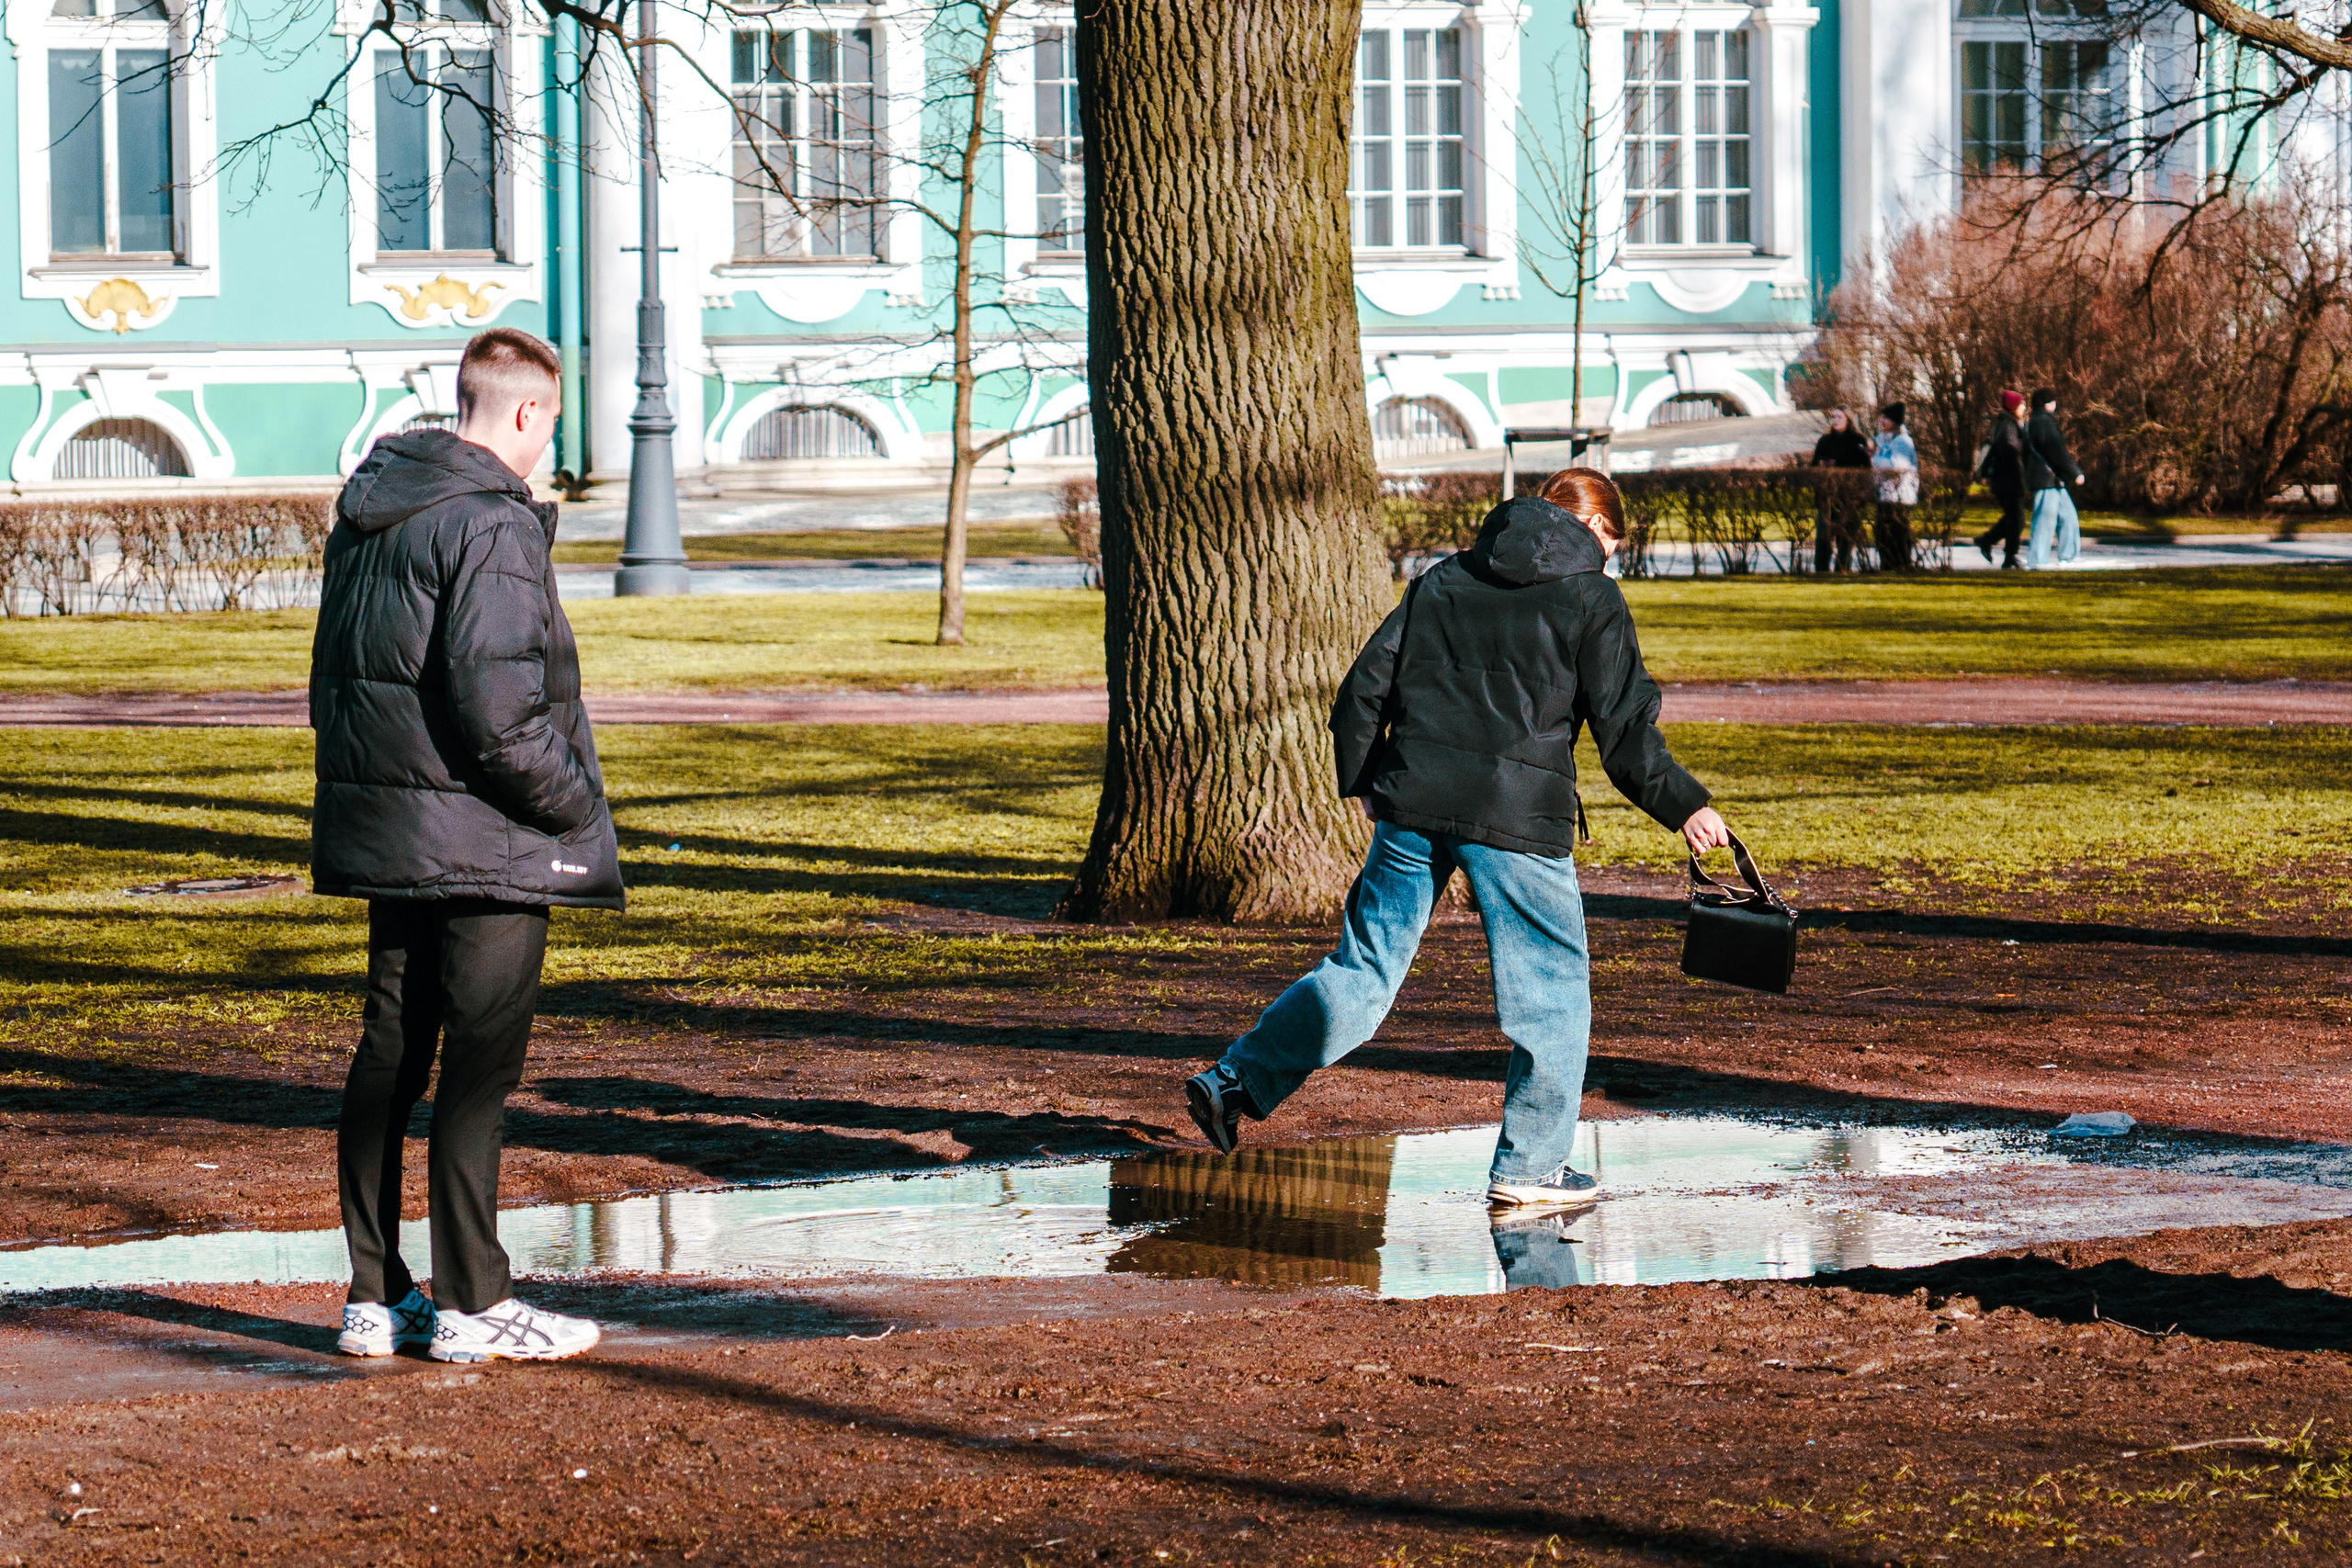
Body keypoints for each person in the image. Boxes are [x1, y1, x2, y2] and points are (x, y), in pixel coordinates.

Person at [1184, 468, 1732, 1209]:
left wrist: (1371, 780)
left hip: (1413, 804)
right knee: (1551, 997)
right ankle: (1531, 1167)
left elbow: (1361, 691)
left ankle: (1236, 1079)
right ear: (1597, 528)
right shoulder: (1592, 596)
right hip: (1518, 819)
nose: (1612, 557)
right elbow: (1626, 737)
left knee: (1362, 972)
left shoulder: (1444, 578)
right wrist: (1687, 806)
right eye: (1613, 541)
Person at [311, 327, 622, 1364]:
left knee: (389, 1056)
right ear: (528, 413)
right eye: (551, 426)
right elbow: (502, 712)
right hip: (485, 836)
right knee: (477, 1073)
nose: (546, 447)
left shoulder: (370, 508)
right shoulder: (490, 521)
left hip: (394, 827)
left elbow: (336, 685)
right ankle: (474, 1305)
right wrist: (576, 805)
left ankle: (373, 1294)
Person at [2022, 387, 2086, 570]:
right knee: (2045, 519)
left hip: (2053, 480)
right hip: (2046, 480)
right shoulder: (2043, 422)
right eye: (2053, 401)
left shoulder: (2038, 421)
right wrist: (2075, 472)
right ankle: (2037, 560)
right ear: (2047, 403)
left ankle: (2069, 556)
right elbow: (2055, 452)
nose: (2055, 404)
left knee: (2068, 517)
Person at [1809, 408, 1871, 574]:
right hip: (1827, 496)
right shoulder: (1825, 441)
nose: (1835, 420)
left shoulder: (1857, 440)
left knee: (1846, 536)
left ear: (1848, 419)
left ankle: (1842, 568)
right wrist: (1822, 466)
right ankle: (1821, 570)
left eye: (1839, 417)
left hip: (1849, 497)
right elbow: (1814, 466)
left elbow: (1865, 469)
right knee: (1823, 536)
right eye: (1833, 417)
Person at [1973, 390, 2030, 570]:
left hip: (2006, 479)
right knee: (2017, 518)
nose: (2024, 408)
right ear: (2014, 407)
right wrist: (2027, 443)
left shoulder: (2006, 423)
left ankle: (1990, 542)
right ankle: (2007, 554)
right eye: (2021, 405)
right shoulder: (2008, 424)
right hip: (2008, 479)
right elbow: (2011, 447)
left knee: (2014, 518)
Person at [1870, 402, 1919, 571]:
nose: (1882, 421)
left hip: (1900, 496)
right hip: (1885, 494)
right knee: (1883, 533)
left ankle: (1901, 563)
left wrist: (1874, 460)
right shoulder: (1884, 441)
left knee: (1898, 533)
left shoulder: (1903, 442)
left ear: (1895, 421)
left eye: (1886, 418)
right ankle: (1888, 564)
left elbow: (1897, 465)